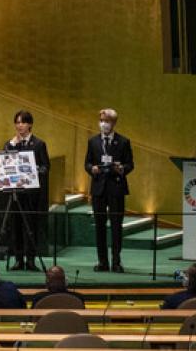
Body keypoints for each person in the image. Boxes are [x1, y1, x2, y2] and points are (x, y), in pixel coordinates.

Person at [85, 108, 134, 272]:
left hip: (116, 187)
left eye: (106, 120)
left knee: (116, 226)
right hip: (99, 188)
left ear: (113, 122)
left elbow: (130, 165)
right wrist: (92, 169)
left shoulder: (123, 142)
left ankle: (116, 262)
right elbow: (87, 163)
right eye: (101, 120)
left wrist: (122, 169)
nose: (103, 123)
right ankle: (102, 262)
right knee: (99, 226)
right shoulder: (93, 141)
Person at [4, 110, 50, 271]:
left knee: (31, 226)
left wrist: (35, 170)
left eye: (23, 122)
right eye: (17, 122)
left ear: (30, 124)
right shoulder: (10, 143)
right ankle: (18, 259)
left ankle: (30, 259)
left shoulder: (38, 144)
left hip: (32, 193)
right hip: (16, 192)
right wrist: (12, 146)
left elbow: (46, 167)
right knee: (16, 225)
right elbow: (5, 163)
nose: (19, 126)